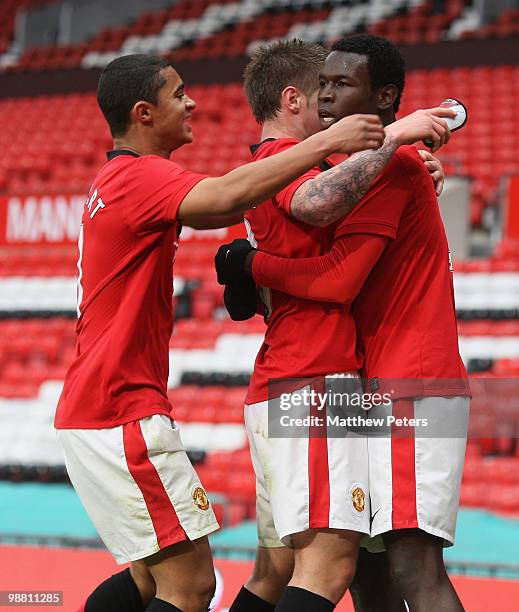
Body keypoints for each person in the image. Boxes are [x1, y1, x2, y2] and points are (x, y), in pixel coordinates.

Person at [53, 53, 393, 612]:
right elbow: (225, 198)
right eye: (178, 93)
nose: (193, 103)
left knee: (153, 580)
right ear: (143, 113)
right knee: (191, 587)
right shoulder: (139, 176)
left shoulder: (113, 179)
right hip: (122, 406)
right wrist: (350, 146)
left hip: (101, 405)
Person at [216, 39, 458, 612]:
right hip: (326, 378)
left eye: (340, 86)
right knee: (343, 568)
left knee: (376, 566)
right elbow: (312, 209)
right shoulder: (304, 166)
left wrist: (249, 264)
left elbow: (335, 275)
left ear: (381, 97)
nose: (328, 100)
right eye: (322, 86)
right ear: (295, 97)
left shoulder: (372, 169)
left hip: (395, 380)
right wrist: (396, 141)